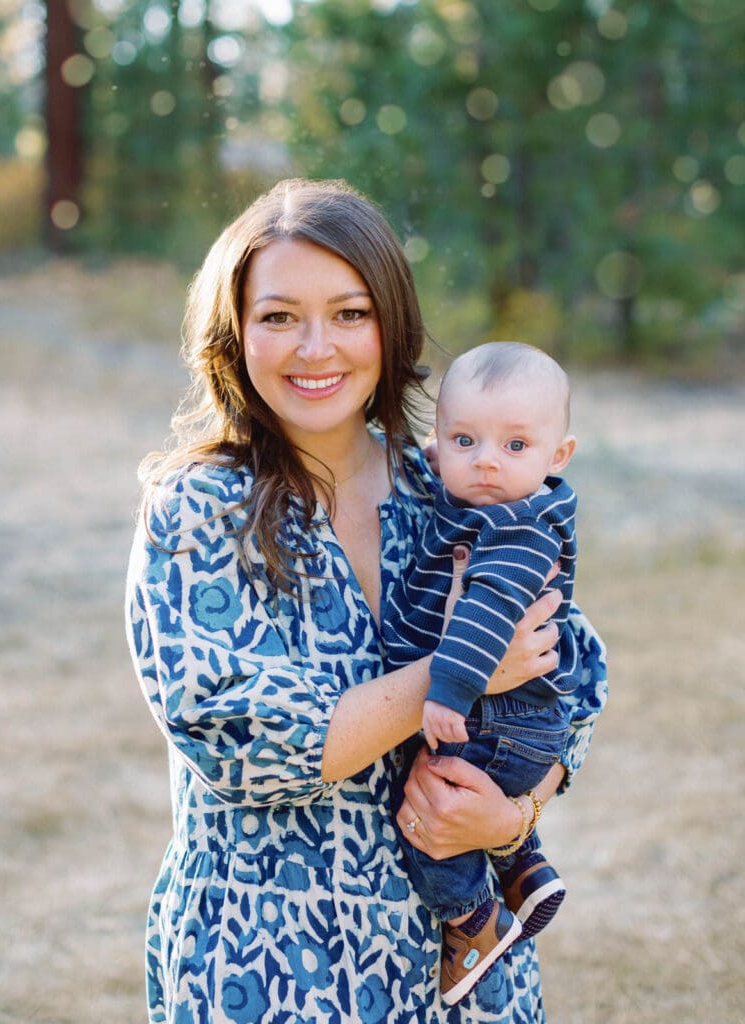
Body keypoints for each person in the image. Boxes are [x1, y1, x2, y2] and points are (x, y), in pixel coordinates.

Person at [125, 177, 608, 1024]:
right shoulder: (197, 511)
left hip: (459, 973)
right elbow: (242, 741)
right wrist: (457, 675)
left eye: (350, 313)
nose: (317, 348)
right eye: (279, 317)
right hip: (269, 964)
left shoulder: (450, 481)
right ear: (234, 334)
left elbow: (575, 668)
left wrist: (511, 814)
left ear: (391, 324)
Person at [384, 341, 583, 1005]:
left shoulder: (517, 529)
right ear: (436, 447)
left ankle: (472, 920)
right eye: (465, 439)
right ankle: (524, 867)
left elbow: (490, 612)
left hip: (500, 717)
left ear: (559, 457)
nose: (488, 460)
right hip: (514, 720)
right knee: (464, 806)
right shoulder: (471, 507)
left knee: (424, 815)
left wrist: (448, 690)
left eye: (516, 445)